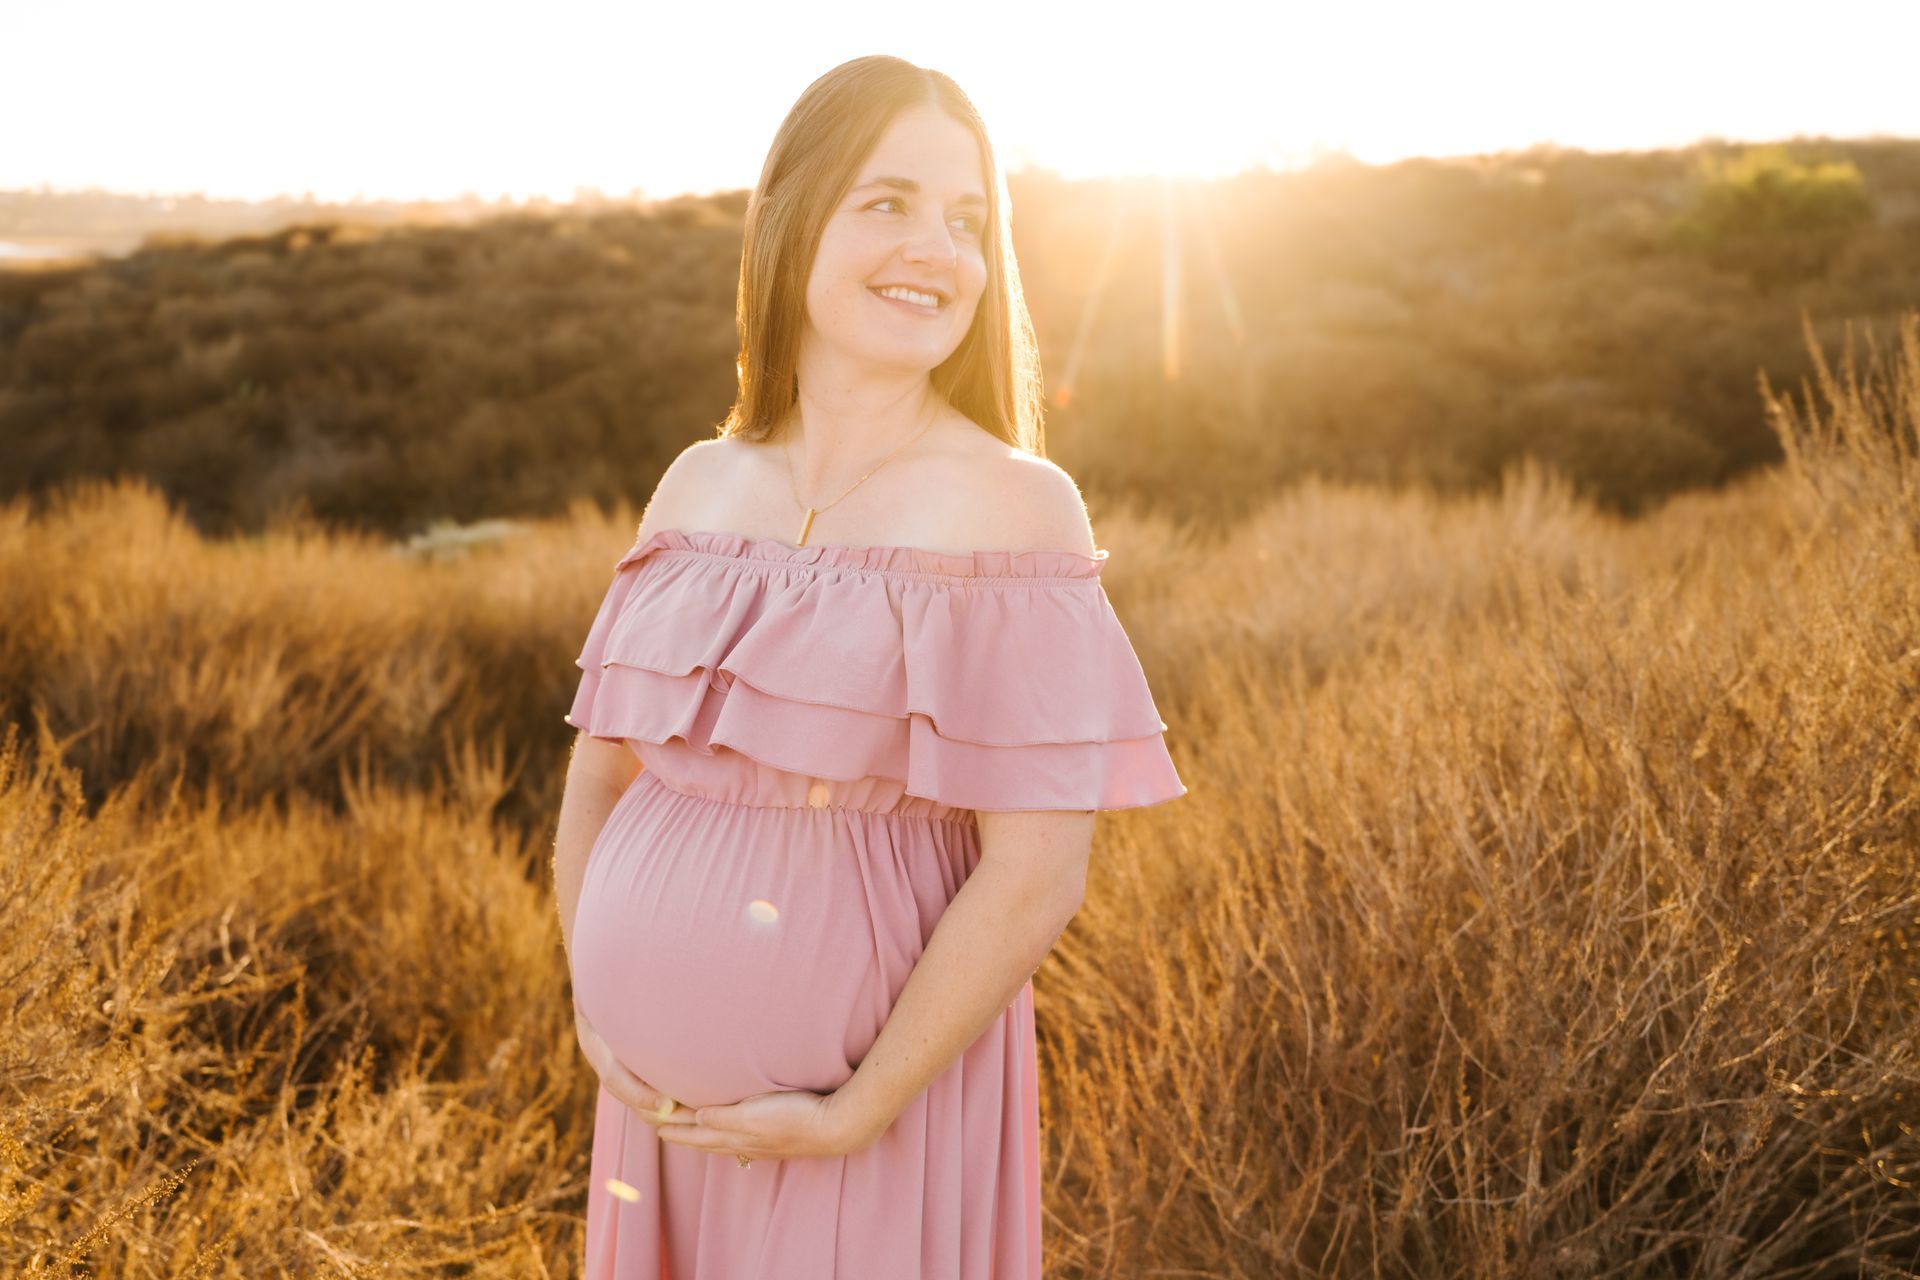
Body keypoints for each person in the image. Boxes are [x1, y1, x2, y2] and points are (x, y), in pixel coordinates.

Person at [551, 53, 1187, 1279]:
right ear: (791, 221)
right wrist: (598, 1001)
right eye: (886, 202)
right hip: (654, 1125)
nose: (935, 250)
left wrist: (860, 1105)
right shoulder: (699, 484)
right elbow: (599, 778)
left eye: (966, 220)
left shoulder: (1016, 509)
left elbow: (1036, 871)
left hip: (868, 1124)